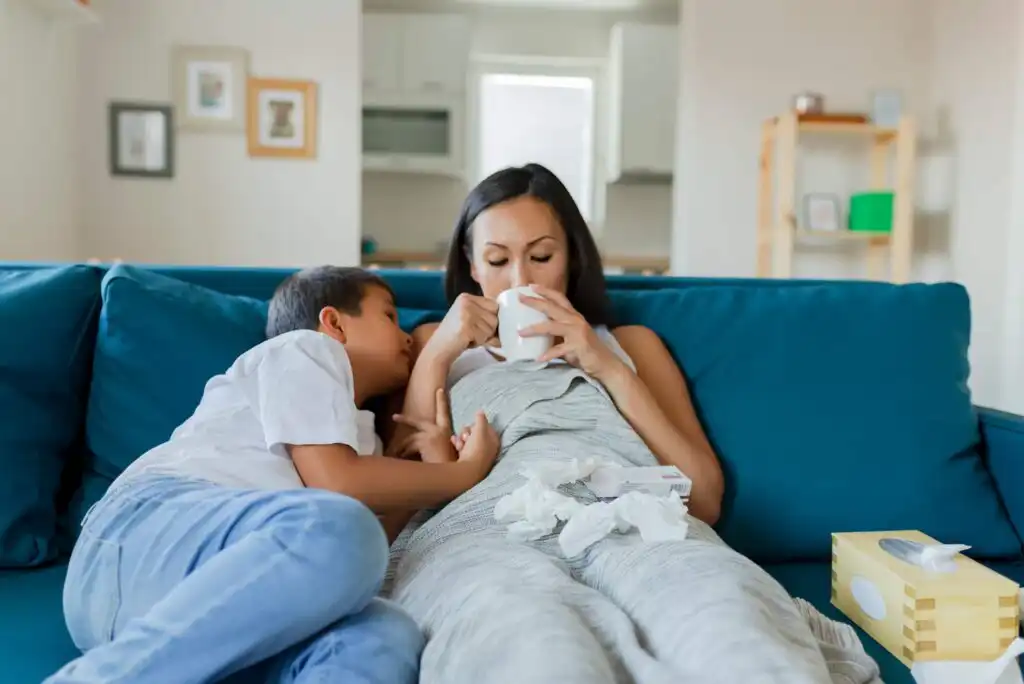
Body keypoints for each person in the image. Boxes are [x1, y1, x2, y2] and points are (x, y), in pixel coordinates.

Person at [386, 165, 881, 684]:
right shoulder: (430, 345)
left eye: (541, 256)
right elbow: (403, 488)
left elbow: (705, 498)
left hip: (632, 521)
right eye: (496, 259)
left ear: (572, 257)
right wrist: (439, 351)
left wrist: (605, 365)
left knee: (723, 618)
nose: (521, 281)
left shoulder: (630, 345)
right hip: (489, 535)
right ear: (470, 265)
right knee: (532, 641)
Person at [45, 266, 500, 684]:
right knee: (337, 525)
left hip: (209, 613)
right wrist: (462, 474)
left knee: (386, 633)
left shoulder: (365, 443)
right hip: (139, 543)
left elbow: (357, 559)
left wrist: (420, 478)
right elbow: (338, 489)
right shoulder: (306, 351)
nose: (404, 337)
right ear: (334, 324)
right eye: (388, 316)